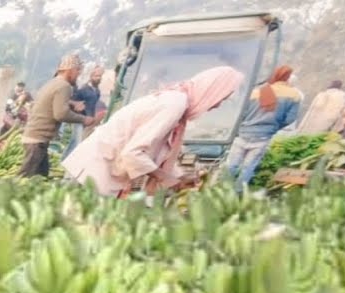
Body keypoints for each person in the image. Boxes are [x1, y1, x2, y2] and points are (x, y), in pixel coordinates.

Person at [62, 66, 243, 197]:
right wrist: (168, 180)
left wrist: (178, 176)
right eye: (221, 98)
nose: (218, 104)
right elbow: (133, 153)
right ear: (212, 91)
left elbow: (159, 148)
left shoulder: (176, 101)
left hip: (100, 169)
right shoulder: (174, 104)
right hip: (94, 171)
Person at [224, 65, 301, 191]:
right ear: (288, 78)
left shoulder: (257, 92)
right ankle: (238, 193)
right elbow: (290, 119)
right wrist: (274, 127)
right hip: (263, 137)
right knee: (248, 167)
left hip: (243, 134)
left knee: (231, 166)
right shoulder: (294, 95)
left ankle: (221, 191)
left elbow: (242, 113)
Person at [18, 54, 95, 178]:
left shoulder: (53, 83)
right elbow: (61, 114)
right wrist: (84, 119)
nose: (78, 75)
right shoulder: (64, 86)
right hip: (37, 140)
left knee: (41, 178)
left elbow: (49, 102)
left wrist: (72, 103)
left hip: (36, 138)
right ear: (70, 70)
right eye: (77, 72)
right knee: (24, 179)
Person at [64, 65, 105, 157]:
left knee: (81, 141)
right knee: (76, 141)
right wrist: (76, 108)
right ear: (91, 76)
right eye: (96, 76)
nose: (99, 78)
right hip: (79, 119)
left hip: (89, 121)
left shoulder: (97, 91)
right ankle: (66, 160)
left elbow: (93, 106)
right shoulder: (83, 90)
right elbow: (71, 101)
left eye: (100, 76)